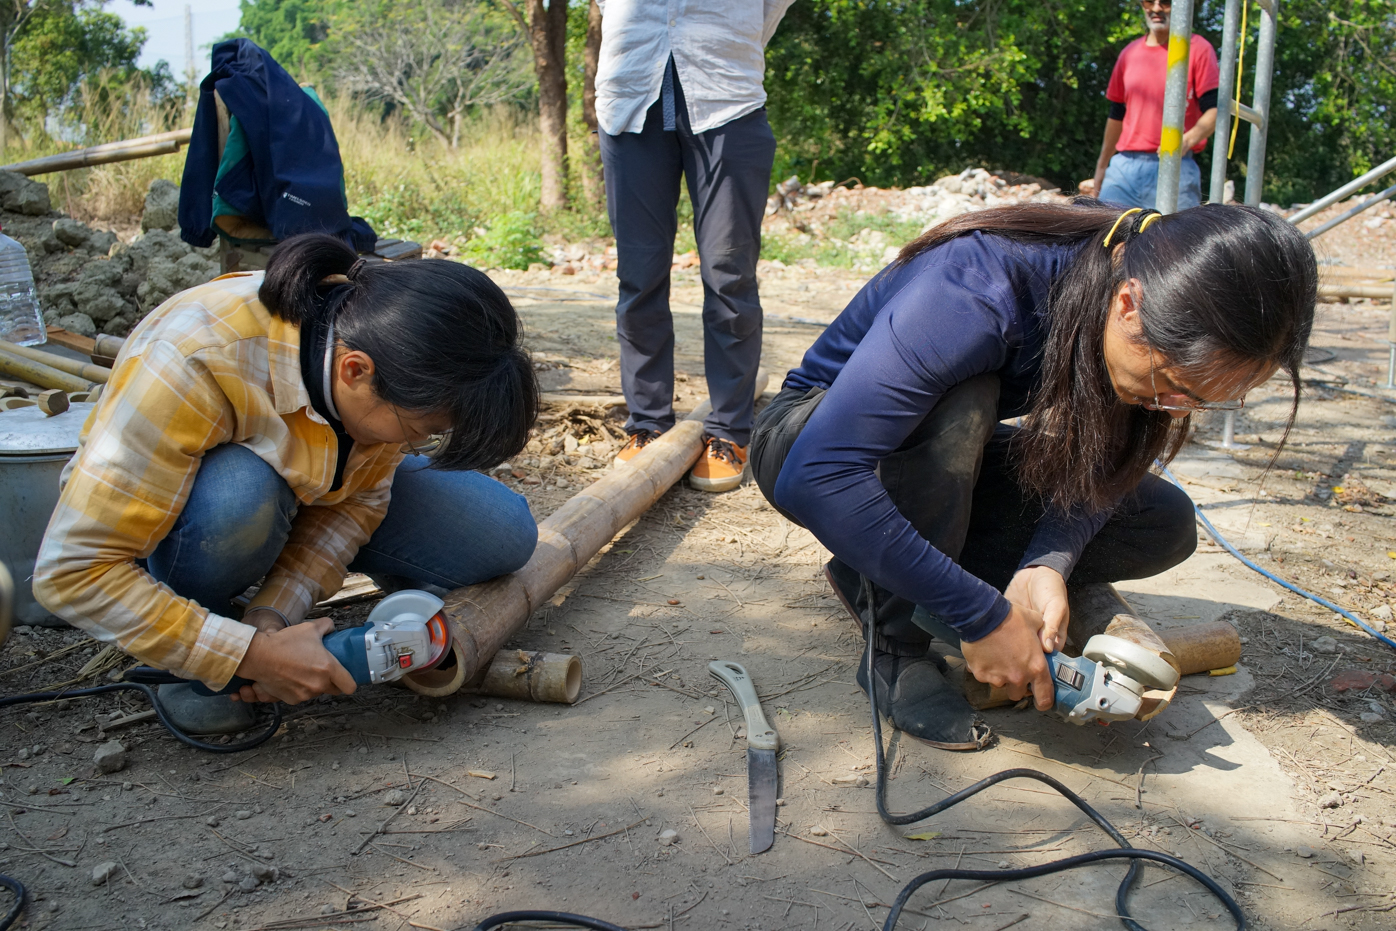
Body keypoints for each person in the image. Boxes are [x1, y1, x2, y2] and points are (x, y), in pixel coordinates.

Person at [750, 202, 1315, 750]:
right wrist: (982, 617)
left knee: (1161, 520)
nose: (1172, 408)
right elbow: (818, 473)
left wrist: (1046, 563)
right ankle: (896, 648)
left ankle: (880, 567)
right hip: (811, 444)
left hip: (925, 458)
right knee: (964, 405)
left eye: (1197, 400)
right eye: (1173, 384)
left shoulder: (1135, 278)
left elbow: (1101, 464)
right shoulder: (973, 291)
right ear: (1129, 306)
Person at [33, 234, 539, 731]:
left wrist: (272, 617)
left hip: (311, 481)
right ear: (355, 371)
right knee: (241, 491)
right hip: (203, 514)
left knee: (502, 531)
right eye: (421, 431)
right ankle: (193, 647)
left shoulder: (389, 354)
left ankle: (249, 617)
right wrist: (249, 655)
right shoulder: (192, 356)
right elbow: (71, 572)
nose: (416, 444)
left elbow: (358, 502)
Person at [595, 0, 795, 492]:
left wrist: (731, 38)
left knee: (730, 273)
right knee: (639, 274)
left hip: (726, 93)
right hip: (630, 94)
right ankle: (647, 422)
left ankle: (729, 429)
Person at [1080, 0, 1219, 211]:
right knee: (1106, 230)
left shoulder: (1198, 48)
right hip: (1123, 169)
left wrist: (1186, 140)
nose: (1156, 8)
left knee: (1174, 234)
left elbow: (1215, 110)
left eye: (1165, 2)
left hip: (1175, 165)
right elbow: (1116, 115)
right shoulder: (1129, 53)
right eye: (1149, 1)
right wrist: (1101, 167)